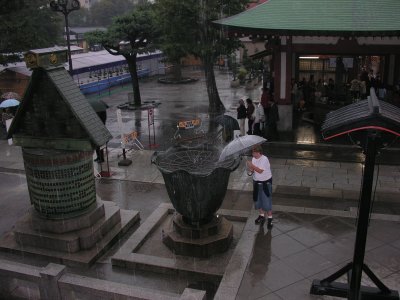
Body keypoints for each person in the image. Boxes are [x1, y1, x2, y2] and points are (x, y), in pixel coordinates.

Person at [246, 145, 273, 228]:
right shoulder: (254, 159)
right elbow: (254, 170)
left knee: (266, 201)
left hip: (265, 183)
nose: (253, 154)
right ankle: (261, 215)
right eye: (252, 153)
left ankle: (270, 218)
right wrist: (250, 171)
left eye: (254, 153)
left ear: (259, 152)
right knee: (257, 200)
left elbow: (260, 171)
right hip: (256, 182)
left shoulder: (264, 159)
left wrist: (251, 165)